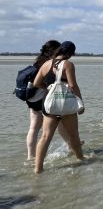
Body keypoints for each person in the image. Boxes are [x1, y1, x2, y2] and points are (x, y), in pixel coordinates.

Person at [33, 41, 85, 173]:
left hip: (50, 104)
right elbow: (73, 86)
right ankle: (81, 159)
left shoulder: (46, 64)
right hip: (66, 104)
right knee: (74, 135)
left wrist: (49, 88)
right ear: (69, 53)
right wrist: (81, 103)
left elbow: (36, 83)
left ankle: (38, 169)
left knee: (45, 136)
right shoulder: (68, 65)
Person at [25, 40, 72, 161]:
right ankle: (70, 144)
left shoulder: (38, 61)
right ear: (55, 50)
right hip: (44, 97)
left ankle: (30, 156)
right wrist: (47, 88)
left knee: (33, 127)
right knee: (59, 121)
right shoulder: (49, 63)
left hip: (31, 97)